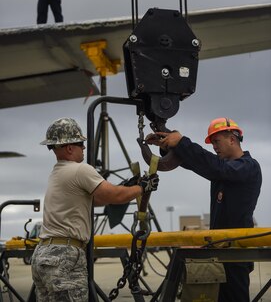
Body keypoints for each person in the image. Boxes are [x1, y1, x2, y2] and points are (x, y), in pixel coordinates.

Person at [31, 117, 159, 301]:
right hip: (64, 256)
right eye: (81, 144)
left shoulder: (57, 173)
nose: (84, 148)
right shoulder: (80, 170)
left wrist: (127, 187)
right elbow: (113, 196)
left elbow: (96, 199)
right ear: (69, 147)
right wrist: (142, 187)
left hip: (43, 255)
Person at [146, 117, 262, 302]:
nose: (214, 147)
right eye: (212, 143)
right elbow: (197, 163)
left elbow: (215, 167)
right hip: (219, 251)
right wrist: (169, 146)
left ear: (232, 138)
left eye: (217, 141)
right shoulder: (222, 169)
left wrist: (183, 142)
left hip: (236, 253)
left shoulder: (248, 167)